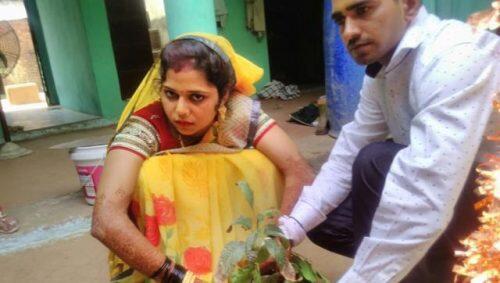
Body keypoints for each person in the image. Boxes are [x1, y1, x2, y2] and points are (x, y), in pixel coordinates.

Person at [279, 0, 499, 282]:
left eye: (363, 10)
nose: (349, 31)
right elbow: (349, 150)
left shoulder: (454, 56)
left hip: (487, 208)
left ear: (408, 5)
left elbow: (422, 198)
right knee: (324, 217)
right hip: (444, 194)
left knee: (377, 162)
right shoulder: (383, 70)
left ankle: (446, 269)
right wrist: (288, 232)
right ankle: (425, 267)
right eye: (340, 21)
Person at [91, 33, 314, 282]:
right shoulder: (146, 127)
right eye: (170, 94)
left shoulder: (237, 114)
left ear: (224, 96)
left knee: (263, 164)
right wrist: (181, 277)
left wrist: (277, 243)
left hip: (241, 255)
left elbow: (300, 171)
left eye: (196, 97)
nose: (180, 110)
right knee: (152, 173)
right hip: (167, 262)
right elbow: (106, 219)